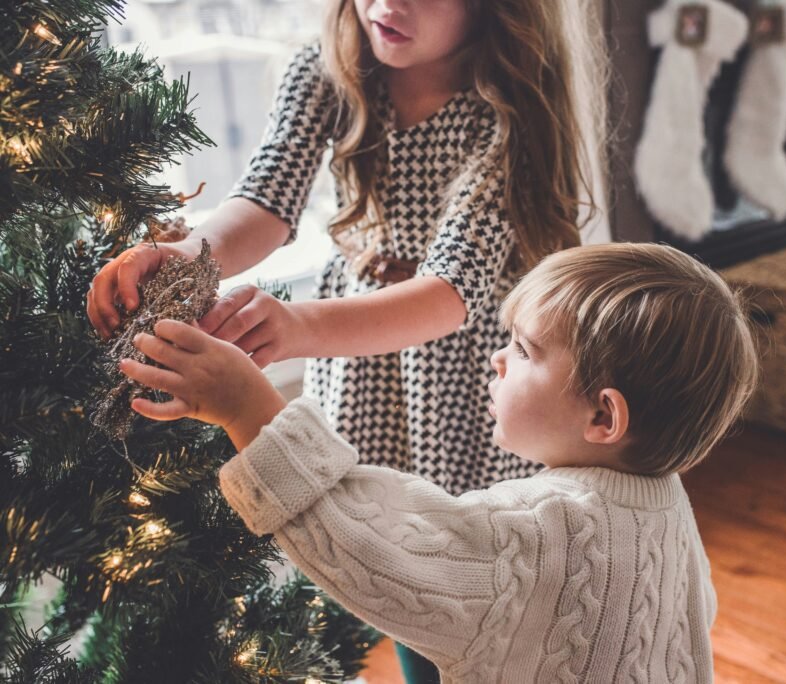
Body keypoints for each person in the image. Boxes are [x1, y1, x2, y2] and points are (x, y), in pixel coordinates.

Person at [88, 2, 605, 678]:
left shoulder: (507, 108)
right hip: (362, 374)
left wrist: (301, 325)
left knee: (454, 579)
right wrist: (190, 253)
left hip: (462, 380)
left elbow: (451, 292)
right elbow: (267, 201)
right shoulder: (329, 68)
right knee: (372, 555)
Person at [119, 242, 761, 683]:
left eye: (524, 350)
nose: (497, 359)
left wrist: (246, 409)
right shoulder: (664, 500)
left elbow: (365, 544)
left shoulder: (542, 529)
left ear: (603, 418)